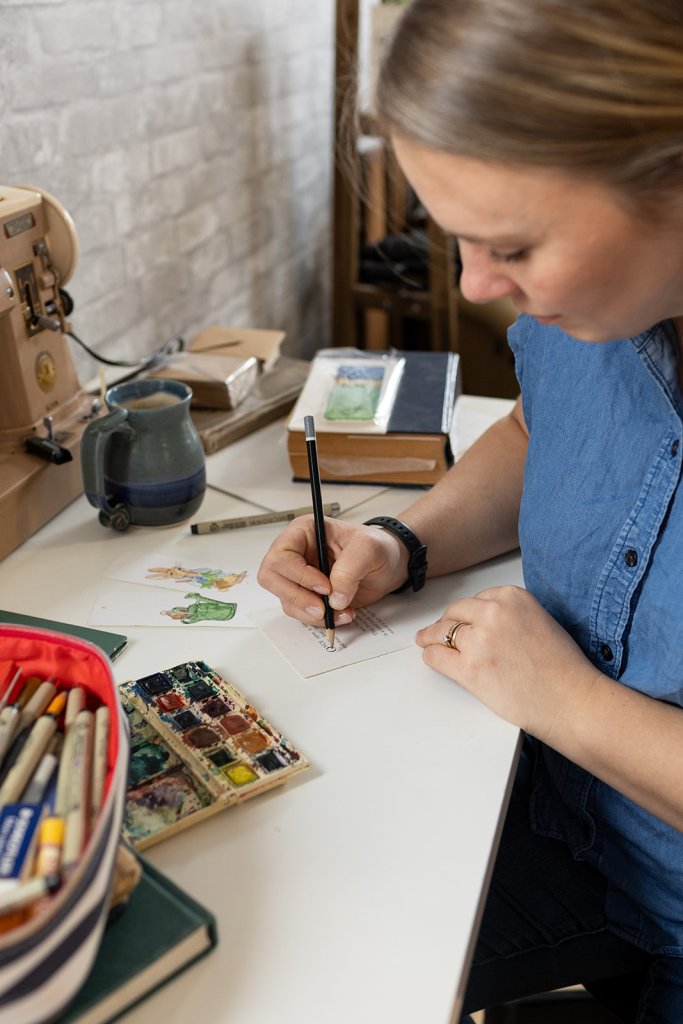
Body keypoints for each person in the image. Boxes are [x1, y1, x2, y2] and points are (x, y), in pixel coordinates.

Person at [257, 1, 683, 1019]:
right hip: (547, 803)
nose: (475, 285)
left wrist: (566, 701)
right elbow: (542, 429)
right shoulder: (595, 311)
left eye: (512, 246)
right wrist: (402, 543)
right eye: (455, 237)